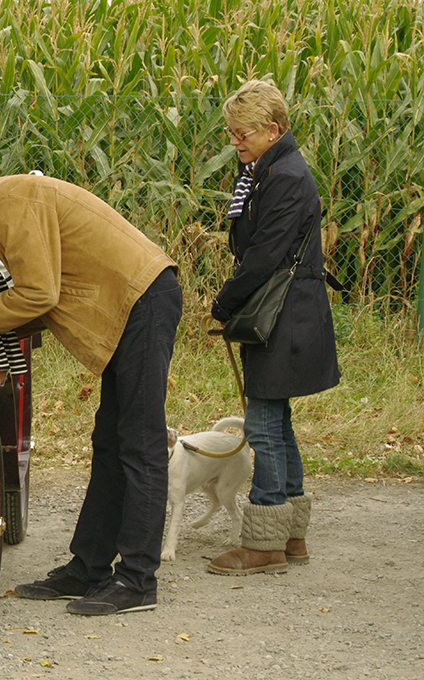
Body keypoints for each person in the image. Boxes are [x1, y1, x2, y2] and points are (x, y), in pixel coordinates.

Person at [0, 167, 181, 615]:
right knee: (109, 443)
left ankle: (137, 581)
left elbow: (38, 294)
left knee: (141, 443)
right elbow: (44, 292)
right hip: (130, 304)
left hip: (141, 300)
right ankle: (89, 568)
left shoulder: (8, 202)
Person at [208, 79, 340, 575]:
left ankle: (264, 544)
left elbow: (264, 255)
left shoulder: (282, 175)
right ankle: (291, 537)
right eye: (232, 133)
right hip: (287, 310)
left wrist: (223, 303)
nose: (235, 142)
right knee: (278, 424)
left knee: (263, 424)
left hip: (282, 314)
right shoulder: (268, 169)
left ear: (273, 129)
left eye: (242, 134)